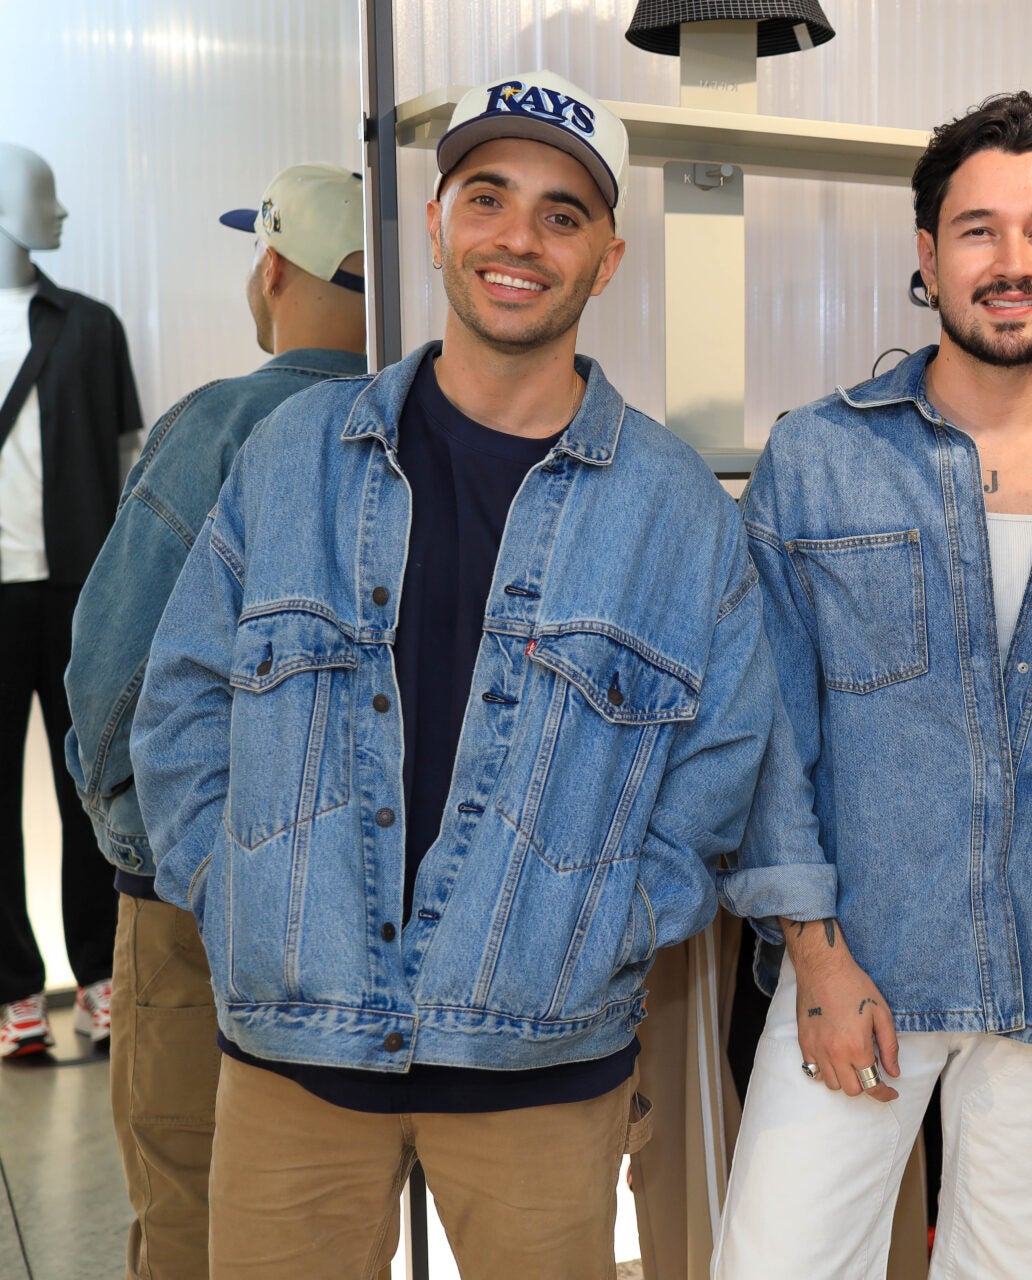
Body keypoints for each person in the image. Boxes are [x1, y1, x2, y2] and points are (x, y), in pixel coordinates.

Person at [129, 71, 816, 1280]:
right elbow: (180, 702)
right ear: (439, 221)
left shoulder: (678, 518)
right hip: (296, 1054)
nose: (519, 237)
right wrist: (236, 894)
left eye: (562, 213)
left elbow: (719, 772)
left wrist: (599, 931)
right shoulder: (293, 456)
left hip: (542, 1069)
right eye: (488, 196)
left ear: (606, 259)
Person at [713, 91, 1032, 1280]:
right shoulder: (820, 458)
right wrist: (814, 955)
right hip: (857, 969)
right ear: (927, 256)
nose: (1012, 261)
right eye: (978, 230)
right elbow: (773, 731)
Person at [62, 161, 367, 1278]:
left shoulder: (227, 422)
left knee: (192, 1182)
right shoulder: (429, 414)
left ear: (274, 265)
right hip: (379, 896)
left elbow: (112, 667)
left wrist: (130, 838)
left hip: (207, 891)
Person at [0, 142, 143, 1060]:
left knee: (89, 785)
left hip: (77, 586)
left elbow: (130, 463)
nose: (58, 213)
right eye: (39, 196)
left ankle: (98, 979)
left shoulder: (89, 326)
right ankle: (14, 991)